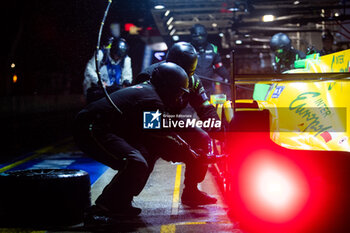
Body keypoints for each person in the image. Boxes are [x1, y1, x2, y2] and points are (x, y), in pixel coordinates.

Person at [74, 62, 216, 227]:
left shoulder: (149, 90)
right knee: (135, 161)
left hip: (105, 126)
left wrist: (187, 150)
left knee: (144, 157)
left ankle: (121, 203)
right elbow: (162, 135)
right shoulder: (152, 99)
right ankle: (99, 210)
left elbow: (160, 133)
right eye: (178, 92)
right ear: (168, 87)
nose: (179, 98)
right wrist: (190, 153)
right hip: (91, 128)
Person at [134, 41, 220, 207]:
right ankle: (121, 199)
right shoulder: (149, 77)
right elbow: (147, 120)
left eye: (188, 73)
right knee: (141, 160)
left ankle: (191, 192)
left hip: (169, 121)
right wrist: (178, 144)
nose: (185, 79)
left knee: (201, 139)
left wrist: (219, 130)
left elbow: (205, 109)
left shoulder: (193, 81)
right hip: (146, 126)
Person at [83, 38, 133, 104]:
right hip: (98, 88)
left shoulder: (126, 59)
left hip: (114, 89)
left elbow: (127, 74)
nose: (117, 58)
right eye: (116, 55)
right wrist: (98, 81)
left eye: (120, 56)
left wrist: (126, 81)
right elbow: (89, 69)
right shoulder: (101, 54)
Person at [189, 24, 230, 96]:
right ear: (192, 36)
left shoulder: (212, 48)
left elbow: (219, 67)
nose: (199, 38)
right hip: (191, 87)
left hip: (207, 87)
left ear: (205, 35)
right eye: (197, 36)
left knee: (207, 106)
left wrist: (228, 78)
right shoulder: (186, 48)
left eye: (201, 35)